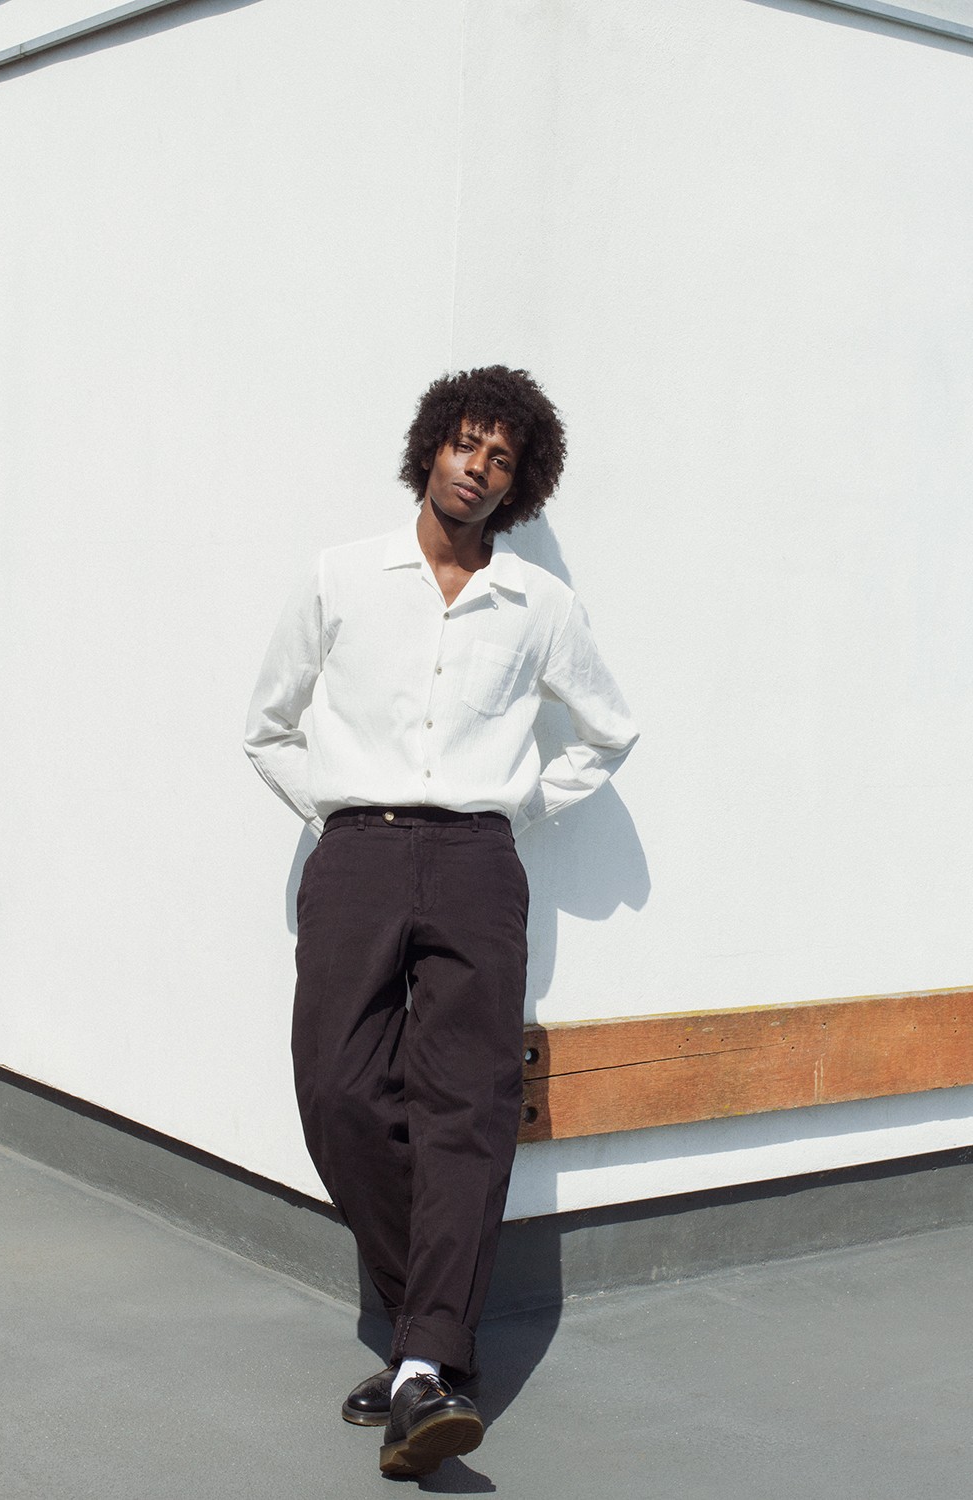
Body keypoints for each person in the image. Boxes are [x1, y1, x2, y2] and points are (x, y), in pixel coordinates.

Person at [244, 365, 637, 1478]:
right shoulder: (341, 577)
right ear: (431, 448)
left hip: (474, 862)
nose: (478, 467)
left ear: (519, 485)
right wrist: (335, 812)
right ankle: (432, 1331)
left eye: (501, 458)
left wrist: (514, 808)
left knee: (468, 1103)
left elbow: (608, 731)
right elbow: (267, 727)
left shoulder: (539, 607)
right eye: (466, 443)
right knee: (338, 1091)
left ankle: (422, 1368)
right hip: (357, 854)